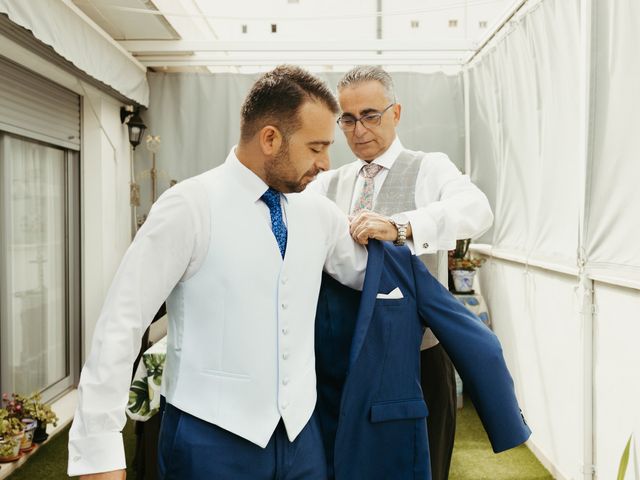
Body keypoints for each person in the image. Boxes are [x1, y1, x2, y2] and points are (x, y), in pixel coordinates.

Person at [67, 65, 372, 479]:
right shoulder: (188, 206)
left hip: (303, 441)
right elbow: (123, 321)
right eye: (316, 147)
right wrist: (99, 450)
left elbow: (368, 275)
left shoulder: (319, 213)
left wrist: (407, 231)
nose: (325, 162)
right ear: (270, 138)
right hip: (208, 444)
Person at [308, 65, 494, 480]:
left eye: (371, 115)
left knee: (421, 466)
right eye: (348, 119)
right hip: (345, 359)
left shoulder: (429, 167)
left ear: (396, 112)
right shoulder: (328, 183)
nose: (358, 130)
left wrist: (402, 226)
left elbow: (476, 209)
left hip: (419, 357)